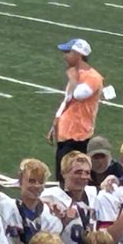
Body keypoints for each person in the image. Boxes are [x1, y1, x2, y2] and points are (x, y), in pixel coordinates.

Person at [46, 38, 103, 182]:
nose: (65, 56)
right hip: (66, 133)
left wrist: (72, 79)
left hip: (79, 134)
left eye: (68, 52)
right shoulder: (76, 74)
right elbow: (67, 99)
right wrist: (56, 122)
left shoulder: (93, 77)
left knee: (77, 175)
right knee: (62, 174)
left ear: (79, 54)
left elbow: (79, 94)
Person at [0, 158, 62, 244]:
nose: (36, 186)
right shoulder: (5, 207)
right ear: (21, 181)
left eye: (40, 181)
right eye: (31, 181)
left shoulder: (51, 215)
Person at [41, 151, 99, 244]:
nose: (83, 177)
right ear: (64, 173)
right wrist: (61, 222)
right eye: (78, 172)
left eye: (87, 173)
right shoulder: (51, 197)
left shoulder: (94, 195)